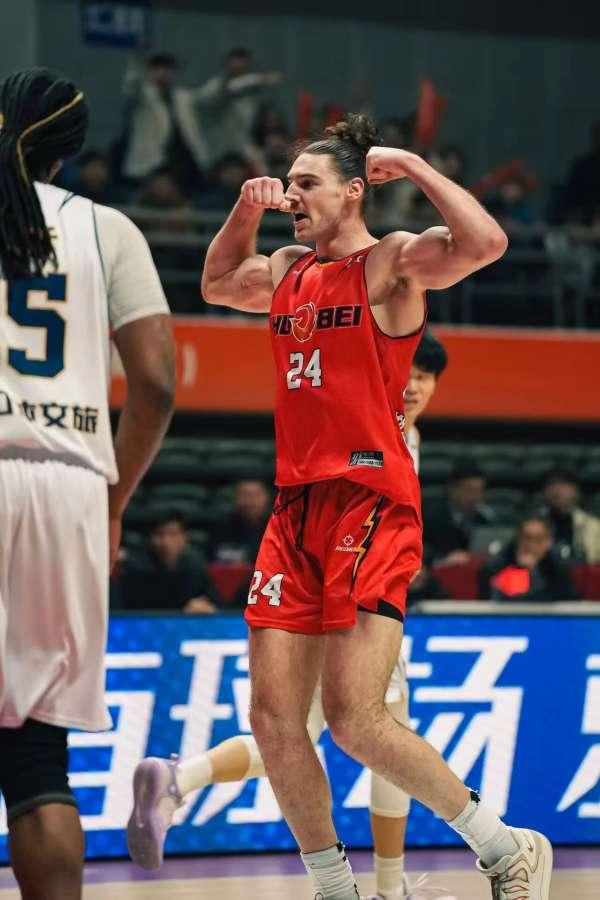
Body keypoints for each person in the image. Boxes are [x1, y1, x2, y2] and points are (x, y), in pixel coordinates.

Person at [131, 115, 551, 898]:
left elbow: (486, 242)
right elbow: (217, 283)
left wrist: (414, 164)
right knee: (272, 721)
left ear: (354, 191)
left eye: (306, 184)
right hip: (295, 509)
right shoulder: (287, 267)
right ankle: (335, 887)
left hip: (369, 502)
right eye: (288, 183)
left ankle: (504, 849)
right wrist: (246, 208)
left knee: (356, 719)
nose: (292, 195)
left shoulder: (391, 263)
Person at [127, 329, 452, 899]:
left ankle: (181, 777)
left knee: (291, 739)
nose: (416, 385)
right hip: (347, 603)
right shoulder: (372, 425)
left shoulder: (409, 435)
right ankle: (390, 889)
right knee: (383, 739)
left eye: (427, 377)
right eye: (411, 372)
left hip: (334, 596)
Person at [0, 68, 175, 900]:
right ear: (69, 155)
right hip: (69, 486)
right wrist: (111, 502)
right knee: (38, 761)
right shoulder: (109, 228)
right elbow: (157, 384)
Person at [120, 53, 209, 188]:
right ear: (150, 72)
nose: (163, 73)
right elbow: (133, 85)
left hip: (182, 163)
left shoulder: (183, 97)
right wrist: (137, 59)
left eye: (168, 69)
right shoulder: (144, 95)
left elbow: (209, 97)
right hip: (149, 164)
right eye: (158, 69)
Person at [196, 48, 282, 168]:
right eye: (235, 64)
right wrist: (259, 79)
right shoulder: (216, 86)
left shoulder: (253, 92)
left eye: (243, 65)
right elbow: (205, 98)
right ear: (227, 65)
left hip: (244, 145)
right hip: (217, 146)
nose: (238, 67)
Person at [118, 513, 221, 613]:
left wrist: (206, 608)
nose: (166, 542)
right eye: (159, 534)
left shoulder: (195, 567)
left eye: (173, 534)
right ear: (150, 539)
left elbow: (218, 606)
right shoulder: (136, 570)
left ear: (184, 538)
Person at [479, 514, 577, 602]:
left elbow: (563, 603)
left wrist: (532, 573)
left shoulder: (558, 569)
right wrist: (521, 571)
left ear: (548, 542)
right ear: (518, 539)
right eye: (527, 538)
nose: (531, 545)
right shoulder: (497, 567)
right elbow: (509, 604)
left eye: (538, 539)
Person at [423, 461, 496, 564]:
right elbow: (424, 552)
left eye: (480, 491)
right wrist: (443, 559)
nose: (475, 497)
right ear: (453, 489)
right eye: (470, 490)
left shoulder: (484, 519)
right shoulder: (431, 518)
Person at [538, 468, 600, 563]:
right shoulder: (533, 522)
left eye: (563, 485)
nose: (557, 490)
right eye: (551, 484)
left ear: (575, 490)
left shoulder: (592, 525)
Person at [211, 479, 272, 563]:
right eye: (245, 495)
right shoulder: (222, 526)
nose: (251, 501)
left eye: (256, 495)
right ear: (235, 498)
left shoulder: (280, 526)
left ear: (266, 497)